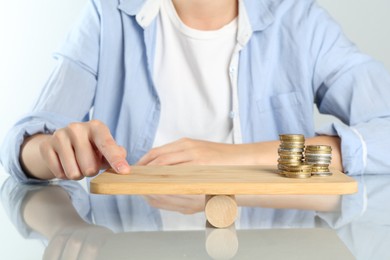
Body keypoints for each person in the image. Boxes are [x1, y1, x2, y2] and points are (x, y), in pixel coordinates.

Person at [1, 0, 390, 184]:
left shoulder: (301, 22)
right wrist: (51, 151)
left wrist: (236, 159)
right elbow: (24, 143)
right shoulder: (108, 15)